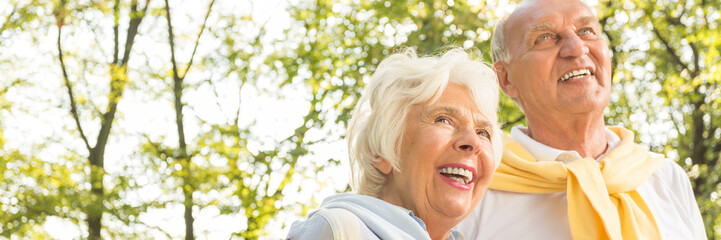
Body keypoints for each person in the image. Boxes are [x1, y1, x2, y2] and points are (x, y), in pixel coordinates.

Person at [455, 0, 706, 239]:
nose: (577, 48)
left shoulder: (667, 177)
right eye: (544, 38)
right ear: (506, 79)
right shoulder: (472, 189)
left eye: (586, 30)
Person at [286, 48, 503, 240]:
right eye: (443, 120)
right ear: (379, 151)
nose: (473, 142)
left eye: (483, 132)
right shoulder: (339, 231)